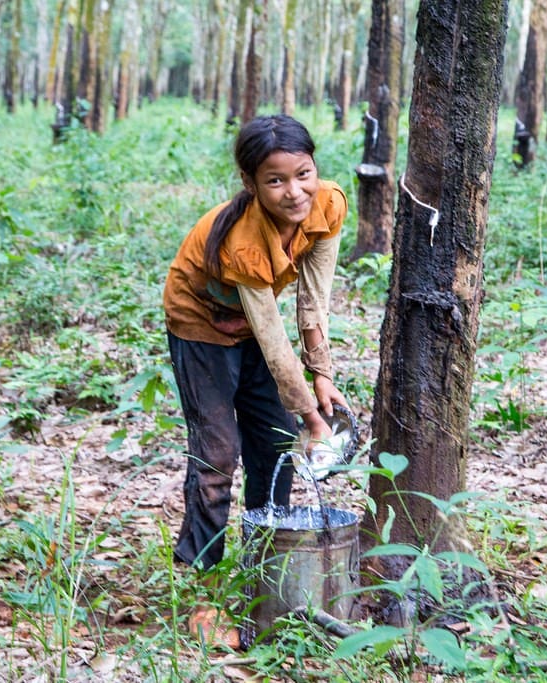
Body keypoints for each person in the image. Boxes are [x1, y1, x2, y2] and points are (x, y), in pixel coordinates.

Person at [162, 114, 349, 645]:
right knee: (217, 455)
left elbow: (313, 300)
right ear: (251, 184)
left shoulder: (329, 204)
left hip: (251, 326)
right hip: (201, 326)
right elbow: (270, 336)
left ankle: (269, 576)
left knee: (276, 448)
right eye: (275, 181)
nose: (295, 192)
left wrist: (324, 376)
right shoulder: (243, 243)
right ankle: (204, 588)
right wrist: (313, 416)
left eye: (303, 173)